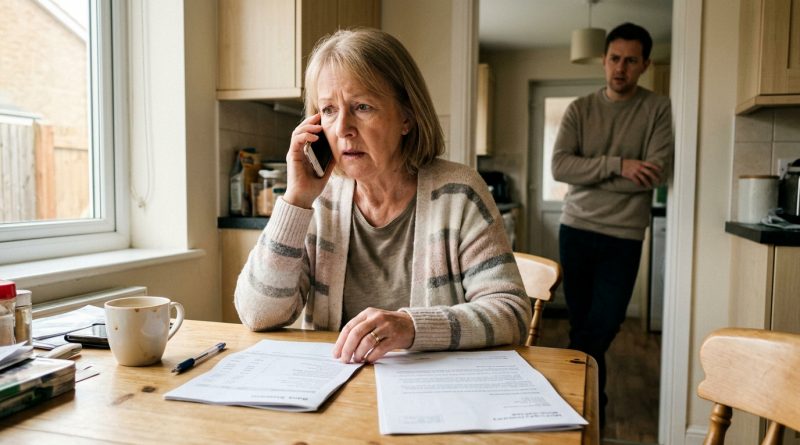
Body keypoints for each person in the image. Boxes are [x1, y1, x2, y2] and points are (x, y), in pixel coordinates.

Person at [234, 28, 531, 364]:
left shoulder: (459, 193)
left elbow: (511, 314)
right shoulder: (319, 200)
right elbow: (258, 315)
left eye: (361, 106)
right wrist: (296, 200)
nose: (343, 127)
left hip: (431, 394)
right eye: (329, 110)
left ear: (407, 116)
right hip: (335, 393)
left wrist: (411, 326)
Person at [551, 22, 673, 425]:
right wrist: (620, 166)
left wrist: (590, 174)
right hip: (577, 230)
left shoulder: (657, 109)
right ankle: (589, 411)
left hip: (623, 236)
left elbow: (654, 174)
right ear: (604, 60)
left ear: (645, 65)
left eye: (631, 61)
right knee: (581, 323)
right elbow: (560, 166)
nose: (621, 68)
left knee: (602, 325)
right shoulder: (581, 109)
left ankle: (578, 403)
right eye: (615, 58)